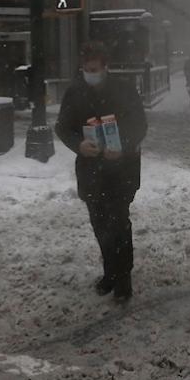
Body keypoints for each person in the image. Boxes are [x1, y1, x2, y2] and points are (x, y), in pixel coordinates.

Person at [54, 42, 148, 301]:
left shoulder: (124, 90)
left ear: (105, 67)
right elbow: (62, 128)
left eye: (94, 68)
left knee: (118, 223)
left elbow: (139, 124)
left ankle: (123, 279)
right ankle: (110, 272)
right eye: (85, 69)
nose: (89, 73)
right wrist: (79, 145)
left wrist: (124, 146)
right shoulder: (75, 93)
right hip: (92, 172)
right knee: (100, 225)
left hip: (122, 170)